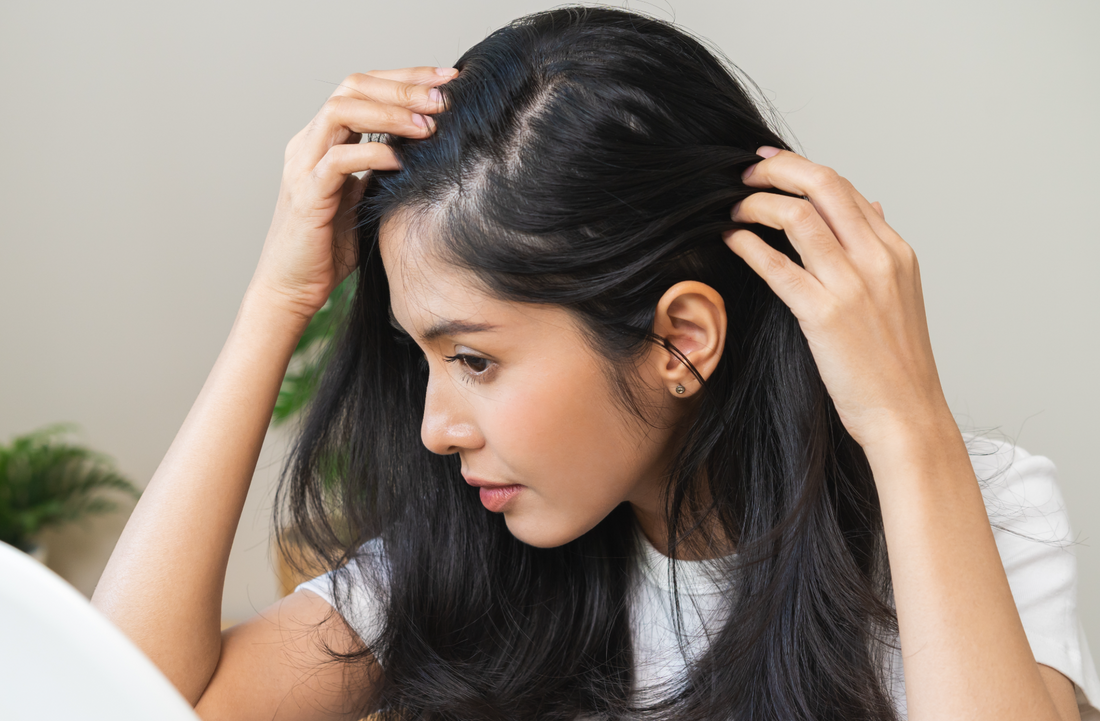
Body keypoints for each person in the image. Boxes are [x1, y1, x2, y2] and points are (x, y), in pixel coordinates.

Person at [90, 6, 1099, 721]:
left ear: (678, 339)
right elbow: (117, 707)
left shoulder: (973, 512)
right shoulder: (460, 558)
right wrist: (276, 301)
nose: (435, 426)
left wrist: (907, 429)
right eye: (423, 358)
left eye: (474, 359)